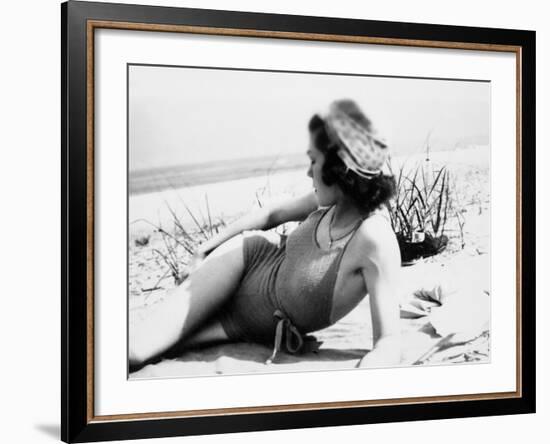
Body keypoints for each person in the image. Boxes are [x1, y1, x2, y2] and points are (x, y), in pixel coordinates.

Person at [129, 99, 402, 370]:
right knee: (135, 350)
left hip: (240, 326)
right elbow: (270, 214)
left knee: (143, 351)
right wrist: (204, 249)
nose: (308, 172)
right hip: (242, 263)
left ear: (338, 169)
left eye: (313, 160)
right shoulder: (326, 202)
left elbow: (388, 342)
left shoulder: (374, 238)